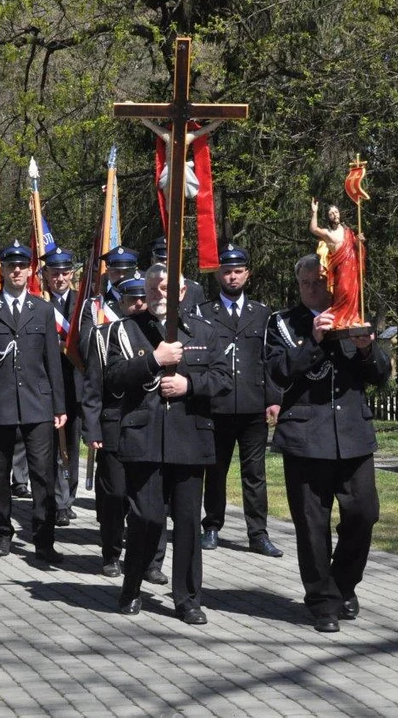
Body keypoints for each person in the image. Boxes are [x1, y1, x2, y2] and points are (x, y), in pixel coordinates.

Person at [265, 254, 390, 633]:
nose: (313, 289)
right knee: (311, 523)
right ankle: (322, 601)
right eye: (305, 283)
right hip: (305, 436)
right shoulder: (283, 324)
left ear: (333, 282)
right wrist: (314, 340)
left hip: (352, 435)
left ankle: (343, 584)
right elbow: (278, 371)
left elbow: (381, 375)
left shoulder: (352, 313)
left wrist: (367, 348)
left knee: (364, 514)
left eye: (319, 282)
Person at [105, 263, 231, 624]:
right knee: (146, 517)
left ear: (182, 292)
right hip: (144, 437)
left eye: (167, 287)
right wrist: (154, 361)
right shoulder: (127, 331)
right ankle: (132, 585)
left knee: (189, 521)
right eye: (154, 287)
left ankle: (187, 598)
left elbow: (223, 377)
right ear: (144, 292)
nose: (161, 293)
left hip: (190, 437)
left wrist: (189, 385)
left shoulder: (204, 330)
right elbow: (112, 377)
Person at [0, 241, 66, 562]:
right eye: (11, 265)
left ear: (30, 269)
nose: (17, 270)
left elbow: (53, 362)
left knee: (42, 474)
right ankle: (3, 532)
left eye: (22, 265)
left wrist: (60, 407)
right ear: (3, 270)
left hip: (38, 404)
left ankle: (43, 539)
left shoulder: (43, 309)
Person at [80, 271, 167, 582]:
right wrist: (91, 430)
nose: (139, 304)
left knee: (155, 500)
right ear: (121, 301)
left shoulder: (163, 334)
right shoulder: (104, 336)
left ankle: (152, 563)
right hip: (115, 426)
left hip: (154, 425)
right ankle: (112, 553)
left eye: (143, 298)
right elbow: (93, 388)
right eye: (132, 299)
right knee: (114, 496)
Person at [199, 245, 283, 556]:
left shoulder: (262, 314)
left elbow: (270, 360)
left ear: (247, 273)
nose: (232, 276)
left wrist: (274, 399)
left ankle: (258, 534)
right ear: (218, 273)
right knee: (215, 470)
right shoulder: (205, 314)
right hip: (217, 405)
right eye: (226, 271)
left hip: (252, 405)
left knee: (255, 473)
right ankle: (211, 526)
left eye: (237, 271)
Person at [41, 247, 82, 526]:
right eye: (54, 273)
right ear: (46, 274)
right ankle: (58, 500)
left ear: (71, 274)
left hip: (77, 384)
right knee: (55, 446)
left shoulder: (83, 304)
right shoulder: (39, 304)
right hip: (48, 386)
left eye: (64, 273)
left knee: (74, 446)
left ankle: (70, 497)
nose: (59, 278)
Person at [309, 198, 365, 330]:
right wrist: (314, 212)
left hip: (352, 266)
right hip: (340, 268)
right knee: (343, 290)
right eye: (331, 213)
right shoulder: (328, 233)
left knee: (352, 293)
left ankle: (352, 318)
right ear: (328, 217)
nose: (335, 215)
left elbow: (356, 249)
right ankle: (340, 318)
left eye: (336, 212)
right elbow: (313, 229)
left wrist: (359, 242)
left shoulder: (349, 232)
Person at [149, 237, 207, 311]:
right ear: (152, 261)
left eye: (170, 259)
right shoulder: (144, 287)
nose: (165, 263)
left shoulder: (193, 290)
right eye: (161, 260)